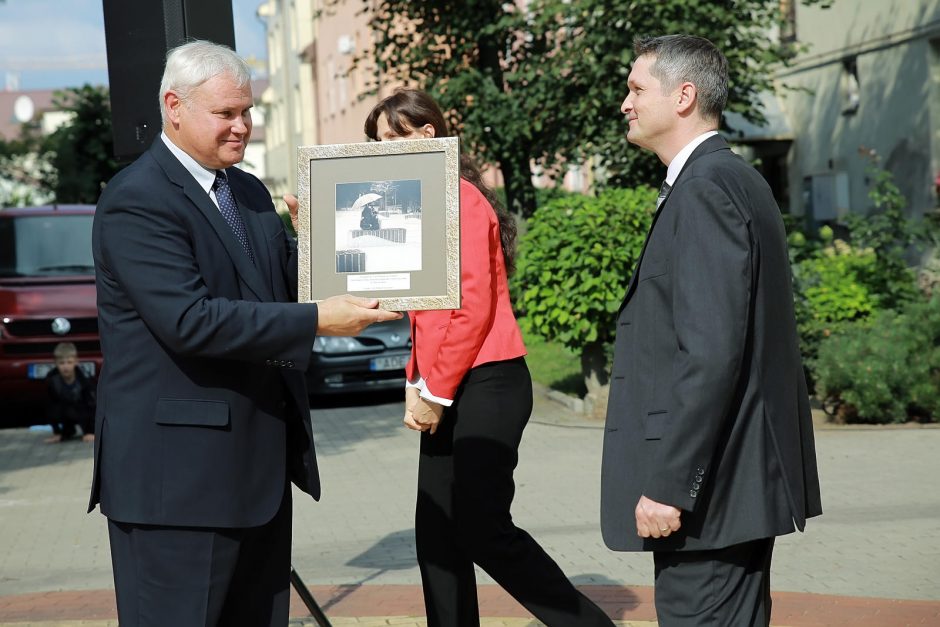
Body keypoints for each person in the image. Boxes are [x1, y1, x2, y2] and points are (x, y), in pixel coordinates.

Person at [89, 40, 399, 627]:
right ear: (173, 106)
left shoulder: (248, 190)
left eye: (247, 112)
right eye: (225, 114)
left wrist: (326, 246)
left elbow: (281, 283)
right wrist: (317, 321)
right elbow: (191, 321)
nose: (242, 127)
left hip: (253, 475)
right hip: (177, 488)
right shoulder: (137, 200)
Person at [364, 89, 614, 627]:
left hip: (490, 382)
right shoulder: (413, 208)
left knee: (481, 528)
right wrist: (416, 381)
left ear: (426, 136)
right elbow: (415, 307)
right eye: (377, 140)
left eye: (392, 138)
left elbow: (472, 310)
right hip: (447, 384)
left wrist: (433, 392)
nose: (382, 149)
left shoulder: (460, 199)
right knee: (436, 535)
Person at [600, 35, 823, 626]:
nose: (625, 102)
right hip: (735, 487)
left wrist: (672, 484)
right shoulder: (731, 178)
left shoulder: (704, 190)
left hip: (712, 497)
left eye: (636, 88)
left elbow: (711, 352)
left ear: (684, 96)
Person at [44, 342, 96, 443]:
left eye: (69, 362)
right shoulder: (52, 381)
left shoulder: (84, 380)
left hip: (83, 412)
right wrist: (57, 432)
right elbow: (50, 407)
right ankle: (66, 432)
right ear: (56, 363)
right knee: (55, 407)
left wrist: (91, 431)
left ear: (76, 362)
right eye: (62, 363)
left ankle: (89, 431)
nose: (65, 367)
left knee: (89, 406)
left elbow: (93, 407)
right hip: (66, 412)